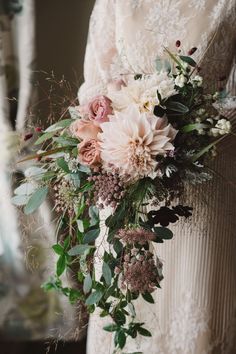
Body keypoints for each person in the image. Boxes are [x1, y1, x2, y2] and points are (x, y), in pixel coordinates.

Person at [78, 1, 236, 353]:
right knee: (129, 307)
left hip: (205, 175)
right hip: (126, 176)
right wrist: (122, 129)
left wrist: (180, 127)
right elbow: (92, 89)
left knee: (193, 307)